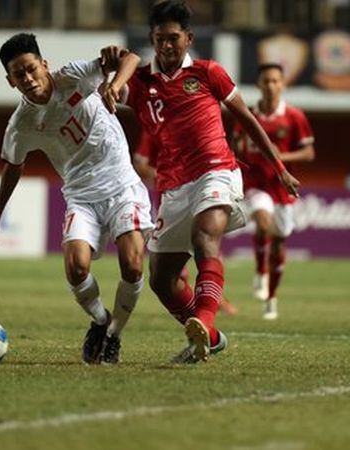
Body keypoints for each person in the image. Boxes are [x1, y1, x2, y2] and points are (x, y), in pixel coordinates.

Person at [103, 0, 300, 363]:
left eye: (174, 38)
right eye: (159, 38)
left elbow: (248, 120)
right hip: (173, 186)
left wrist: (278, 167)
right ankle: (209, 335)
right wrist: (111, 67)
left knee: (204, 236)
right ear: (151, 38)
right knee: (162, 278)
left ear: (189, 38)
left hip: (216, 170)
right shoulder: (141, 81)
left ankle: (204, 319)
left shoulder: (210, 73)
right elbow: (110, 93)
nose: (166, 46)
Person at [0, 33, 153, 365]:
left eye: (31, 69)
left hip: (121, 186)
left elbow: (131, 59)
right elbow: (13, 167)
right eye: (19, 75)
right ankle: (100, 321)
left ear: (44, 65)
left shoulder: (74, 76)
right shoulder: (21, 124)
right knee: (75, 267)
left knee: (132, 263)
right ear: (10, 81)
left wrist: (114, 85)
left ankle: (114, 335)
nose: (28, 79)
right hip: (81, 195)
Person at [233, 63, 316, 320]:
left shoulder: (294, 117)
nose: (270, 85)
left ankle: (272, 297)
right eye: (265, 81)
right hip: (256, 184)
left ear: (282, 84)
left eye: (275, 81)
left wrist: (283, 155)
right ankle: (261, 272)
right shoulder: (248, 115)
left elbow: (309, 152)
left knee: (279, 240)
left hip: (282, 186)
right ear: (258, 84)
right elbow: (236, 146)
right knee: (262, 221)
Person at [132, 132, 239, 316]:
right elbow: (140, 165)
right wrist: (164, 175)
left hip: (200, 189)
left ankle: (211, 302)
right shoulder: (155, 128)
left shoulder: (194, 122)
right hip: (170, 198)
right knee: (172, 262)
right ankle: (198, 308)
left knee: (207, 245)